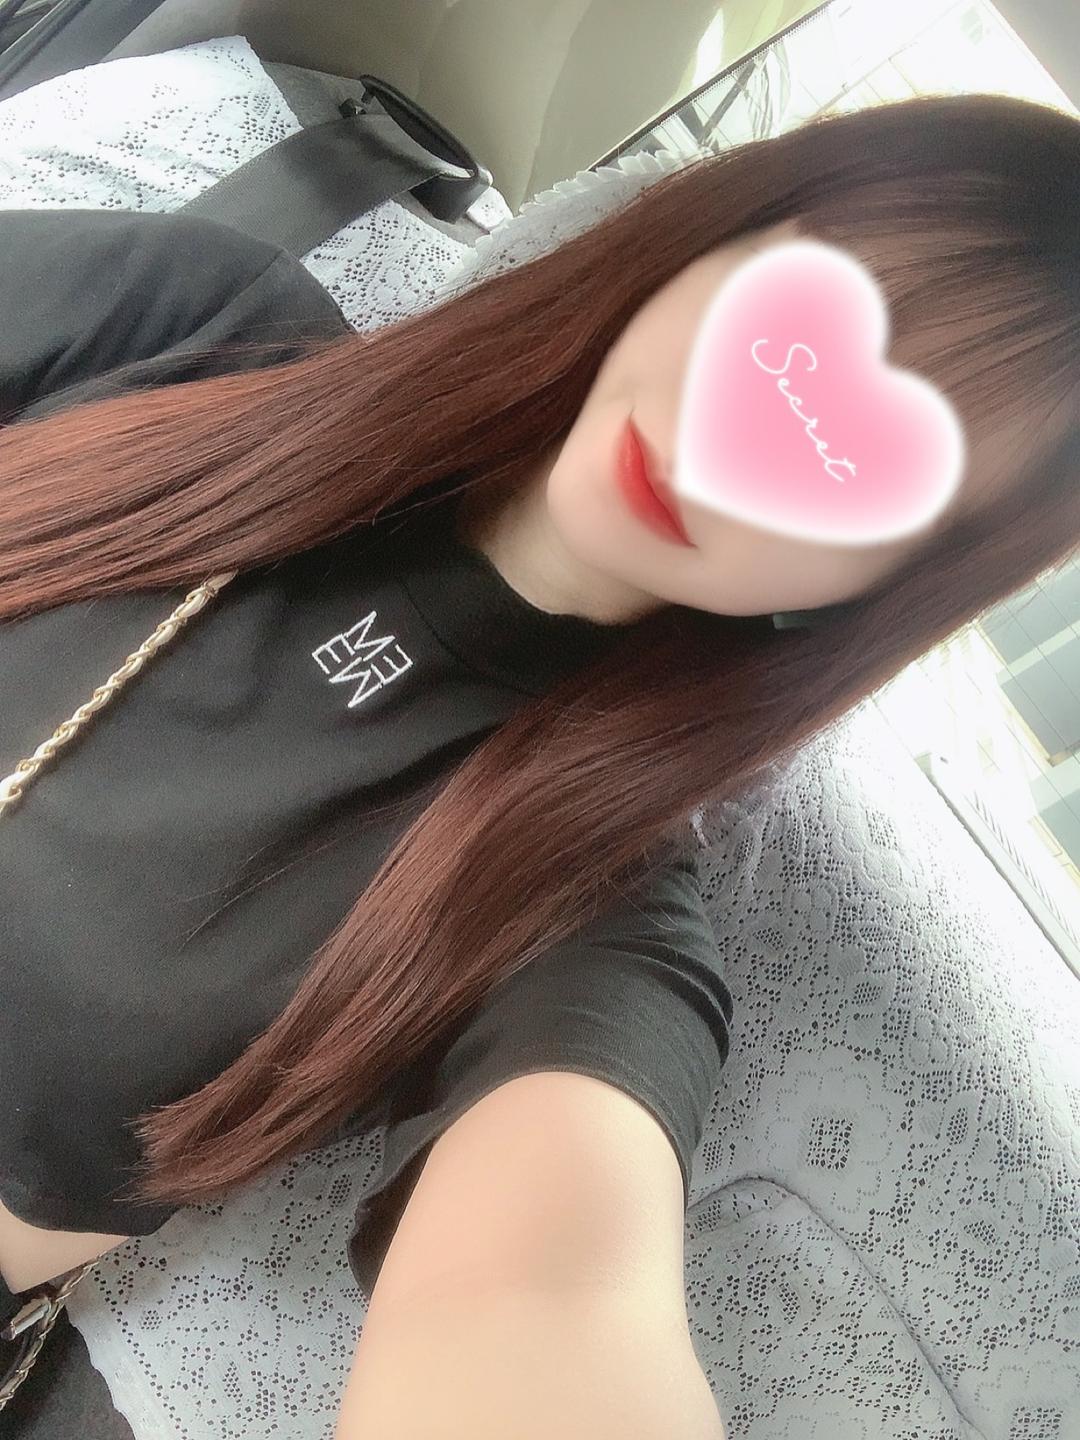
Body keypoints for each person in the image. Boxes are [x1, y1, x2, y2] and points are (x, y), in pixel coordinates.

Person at [1, 87, 1078, 1435]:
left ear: (887, 582)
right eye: (792, 340)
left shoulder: (568, 908)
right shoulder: (199, 330)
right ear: (719, 237)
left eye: (859, 465)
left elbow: (545, 1308)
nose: (732, 452)